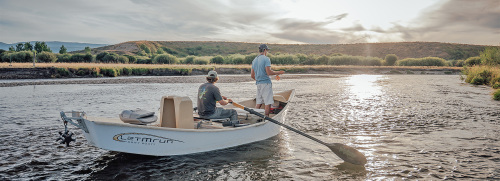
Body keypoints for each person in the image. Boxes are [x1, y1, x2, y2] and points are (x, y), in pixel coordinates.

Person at [251, 44, 285, 116]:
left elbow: (252, 75)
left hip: (258, 84)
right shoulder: (266, 59)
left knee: (259, 103)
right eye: (267, 50)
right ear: (265, 50)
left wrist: (259, 80)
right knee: (268, 103)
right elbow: (268, 72)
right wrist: (279, 72)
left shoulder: (254, 60)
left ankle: (254, 117)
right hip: (266, 84)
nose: (267, 52)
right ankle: (266, 120)